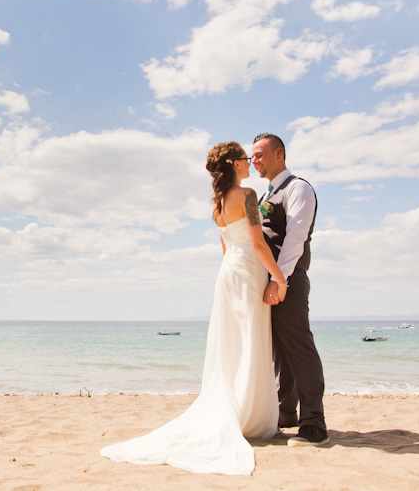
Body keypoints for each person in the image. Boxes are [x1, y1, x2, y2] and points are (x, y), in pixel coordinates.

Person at [100, 141, 286, 475]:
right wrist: (279, 278)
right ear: (233, 163)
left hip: (228, 273)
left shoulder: (216, 206)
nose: (248, 163)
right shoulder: (247, 196)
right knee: (250, 341)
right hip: (247, 271)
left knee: (231, 344)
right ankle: (250, 415)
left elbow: (226, 247)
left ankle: (238, 409)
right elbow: (257, 243)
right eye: (245, 158)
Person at [251, 132, 328, 446]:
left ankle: (314, 423)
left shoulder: (298, 188)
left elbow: (295, 239)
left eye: (259, 155)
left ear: (278, 154)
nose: (253, 160)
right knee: (280, 352)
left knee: (299, 348)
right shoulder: (265, 194)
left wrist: (278, 280)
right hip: (270, 282)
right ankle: (286, 414)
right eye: (252, 156)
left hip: (287, 281)